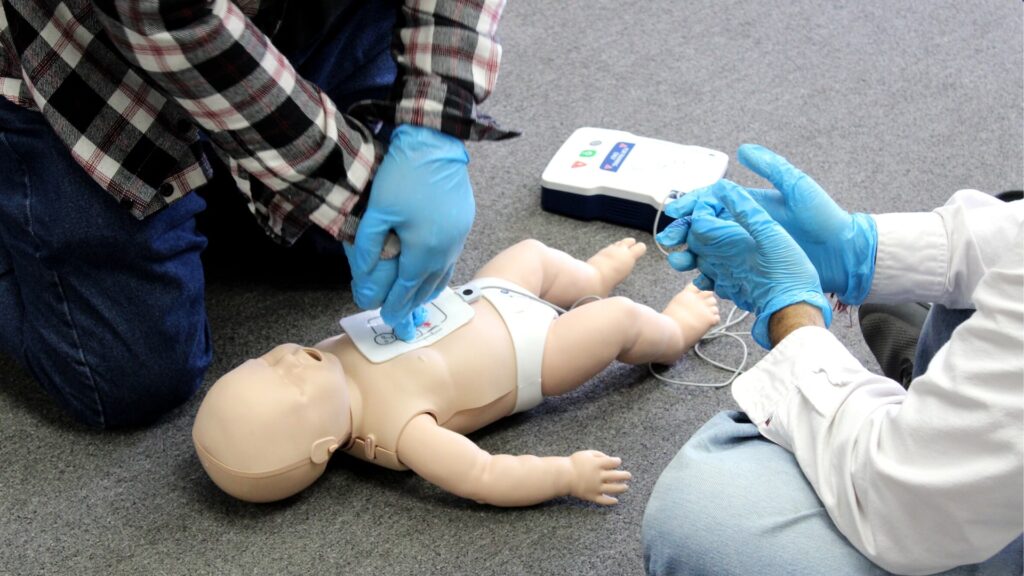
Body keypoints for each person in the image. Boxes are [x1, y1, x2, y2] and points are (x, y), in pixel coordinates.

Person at [0, 0, 513, 429]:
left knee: (340, 243)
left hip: (290, 17)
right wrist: (352, 193)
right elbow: (173, 19)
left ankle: (217, 165)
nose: (288, 359)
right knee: (127, 379)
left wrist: (436, 123)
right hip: (89, 52)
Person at [642, 144, 1023, 575]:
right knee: (1002, 221)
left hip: (917, 507)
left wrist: (790, 314)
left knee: (703, 515)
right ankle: (957, 394)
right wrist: (860, 248)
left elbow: (901, 502)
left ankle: (941, 406)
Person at [191, 238, 721, 506]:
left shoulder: (323, 359)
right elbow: (482, 476)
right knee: (620, 320)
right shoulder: (399, 433)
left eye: (262, 361)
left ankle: (589, 275)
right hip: (536, 353)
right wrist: (565, 474)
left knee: (530, 254)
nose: (286, 357)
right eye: (286, 380)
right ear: (321, 446)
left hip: (479, 296)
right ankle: (672, 336)